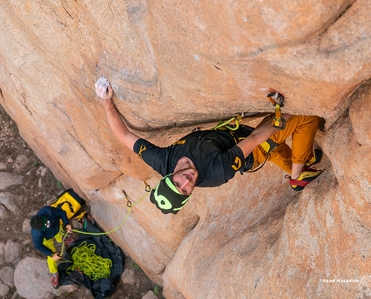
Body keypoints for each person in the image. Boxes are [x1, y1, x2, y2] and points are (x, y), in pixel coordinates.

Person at [95, 77, 323, 214]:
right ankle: (297, 178)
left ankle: (305, 160)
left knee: (287, 154)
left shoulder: (160, 159)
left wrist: (106, 101)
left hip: (233, 139)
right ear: (188, 195)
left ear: (167, 176)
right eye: (185, 190)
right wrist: (278, 119)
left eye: (177, 182)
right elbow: (254, 139)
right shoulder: (216, 171)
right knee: (304, 118)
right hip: (252, 150)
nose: (186, 181)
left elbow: (124, 136)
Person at [30, 206, 74, 289]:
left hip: (57, 227)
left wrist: (66, 223)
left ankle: (62, 240)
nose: (48, 225)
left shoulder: (47, 211)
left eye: (46, 222)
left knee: (60, 235)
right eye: (45, 227)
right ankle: (54, 273)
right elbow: (38, 245)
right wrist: (51, 254)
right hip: (47, 239)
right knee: (52, 258)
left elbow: (61, 212)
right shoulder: (36, 234)